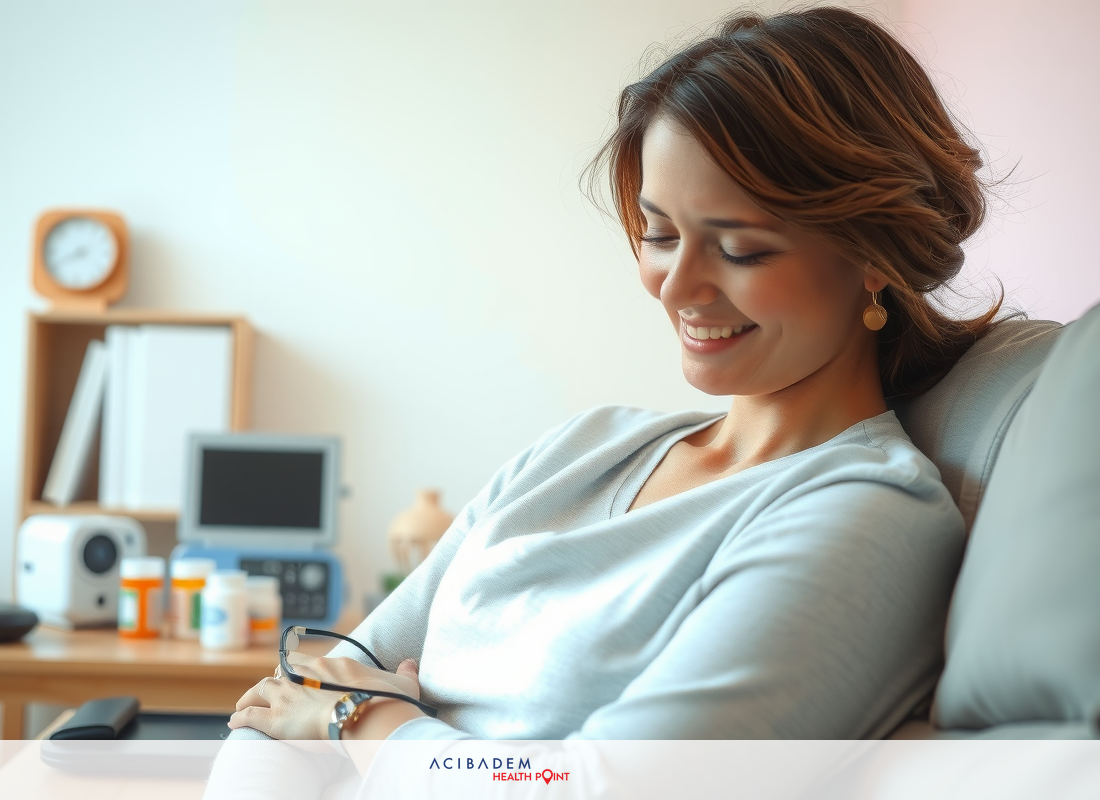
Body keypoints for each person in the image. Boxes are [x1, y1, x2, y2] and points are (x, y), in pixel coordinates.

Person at [215, 3, 1002, 777]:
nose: (678, 286)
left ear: (874, 255)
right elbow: (297, 695)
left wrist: (368, 723)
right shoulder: (582, 448)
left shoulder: (867, 515)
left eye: (741, 248)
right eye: (659, 235)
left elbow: (605, 786)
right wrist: (354, 722)